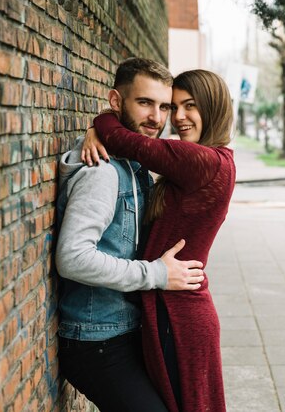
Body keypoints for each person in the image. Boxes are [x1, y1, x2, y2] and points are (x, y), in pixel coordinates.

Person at [55, 58, 206, 412]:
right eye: (144, 103)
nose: (157, 117)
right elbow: (72, 257)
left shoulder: (133, 162)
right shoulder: (103, 172)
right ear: (116, 101)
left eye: (164, 106)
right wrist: (156, 274)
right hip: (96, 341)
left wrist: (101, 129)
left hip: (125, 330)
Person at [83, 69, 235, 412]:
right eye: (174, 107)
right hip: (176, 309)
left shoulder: (203, 161)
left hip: (178, 316)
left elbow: (124, 140)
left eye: (190, 106)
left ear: (213, 109)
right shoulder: (210, 161)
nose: (178, 118)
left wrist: (101, 121)